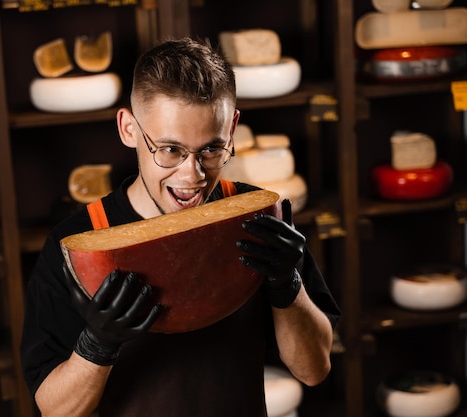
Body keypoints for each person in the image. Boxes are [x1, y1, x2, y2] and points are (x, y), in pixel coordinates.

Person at [20, 37, 340, 417]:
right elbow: (54, 410)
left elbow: (314, 370)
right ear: (128, 129)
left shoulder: (258, 218)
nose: (193, 175)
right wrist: (97, 345)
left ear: (232, 126)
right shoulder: (74, 244)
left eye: (211, 149)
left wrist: (289, 286)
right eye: (170, 150)